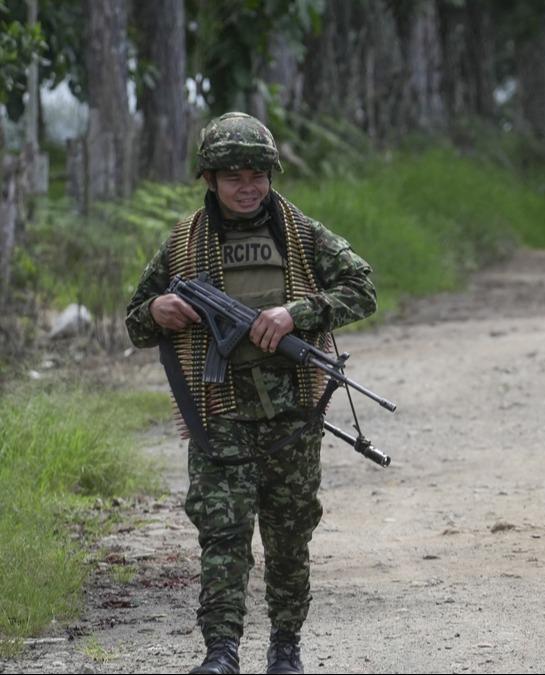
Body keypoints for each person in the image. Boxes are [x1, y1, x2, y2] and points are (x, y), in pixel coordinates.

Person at [125, 112, 377, 674]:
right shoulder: (184, 245)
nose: (248, 187)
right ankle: (221, 652)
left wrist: (297, 314)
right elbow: (134, 323)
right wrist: (158, 311)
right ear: (210, 179)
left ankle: (285, 647)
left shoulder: (301, 234)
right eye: (234, 176)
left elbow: (363, 288)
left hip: (292, 411)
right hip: (218, 412)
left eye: (258, 174)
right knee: (223, 533)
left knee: (289, 536)